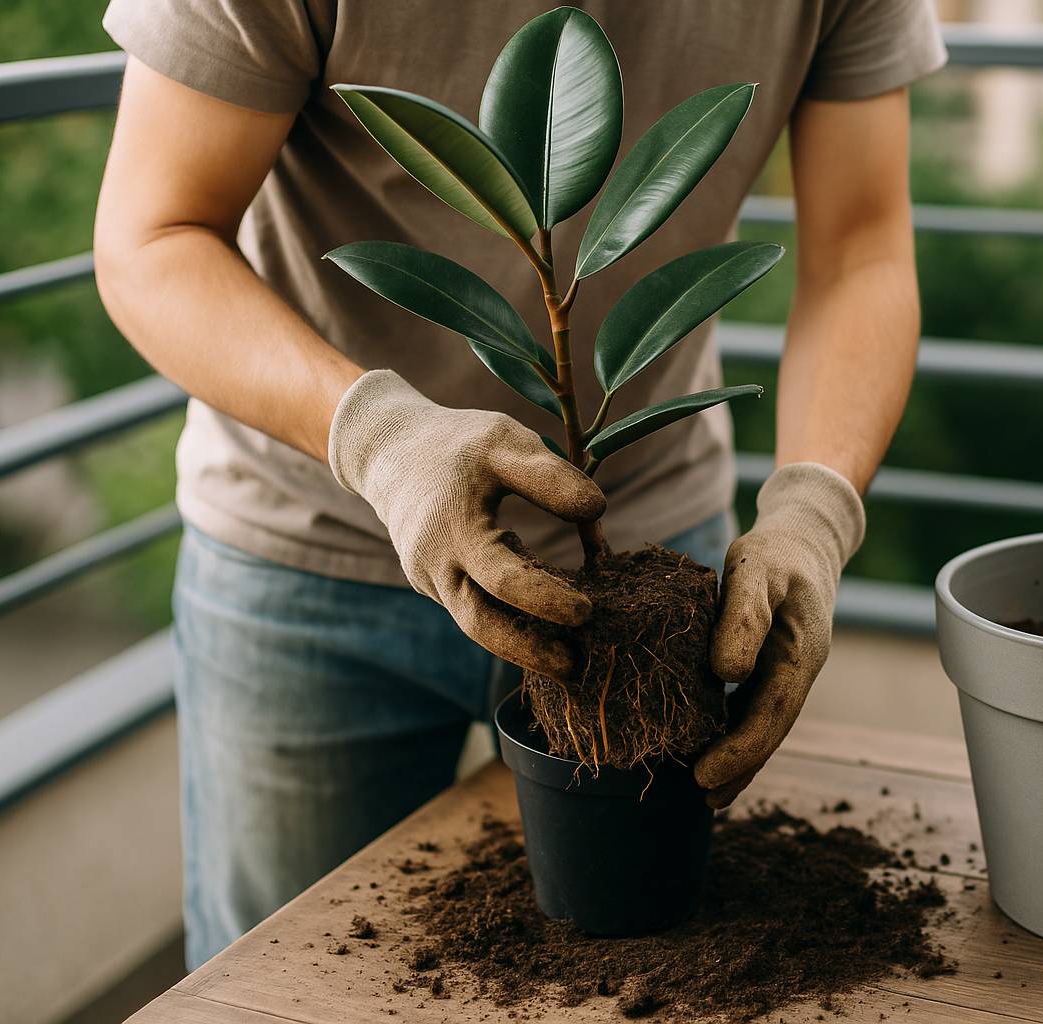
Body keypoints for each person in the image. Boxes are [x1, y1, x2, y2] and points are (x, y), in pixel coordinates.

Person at [94, 0, 943, 967]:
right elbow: (152, 237)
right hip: (313, 558)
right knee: (283, 980)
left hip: (648, 569)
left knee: (657, 971)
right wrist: (383, 439)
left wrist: (816, 509)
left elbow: (862, 248)